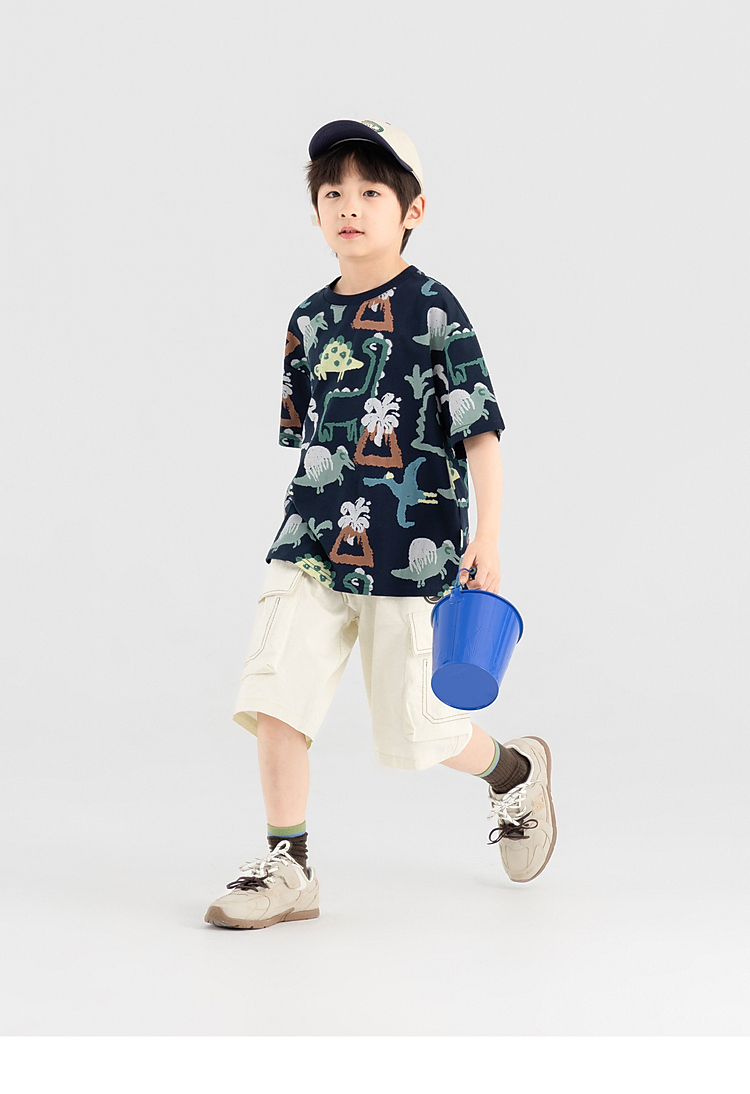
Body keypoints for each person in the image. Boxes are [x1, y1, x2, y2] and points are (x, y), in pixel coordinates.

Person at [204, 118, 557, 930]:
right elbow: (311, 437)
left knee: (422, 730)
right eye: (333, 193)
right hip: (309, 542)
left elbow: (480, 431)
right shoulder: (306, 320)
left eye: (370, 191)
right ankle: (288, 865)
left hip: (412, 552)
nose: (349, 206)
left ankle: (513, 772)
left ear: (413, 210)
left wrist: (488, 536)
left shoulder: (434, 309)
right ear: (316, 212)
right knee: (275, 693)